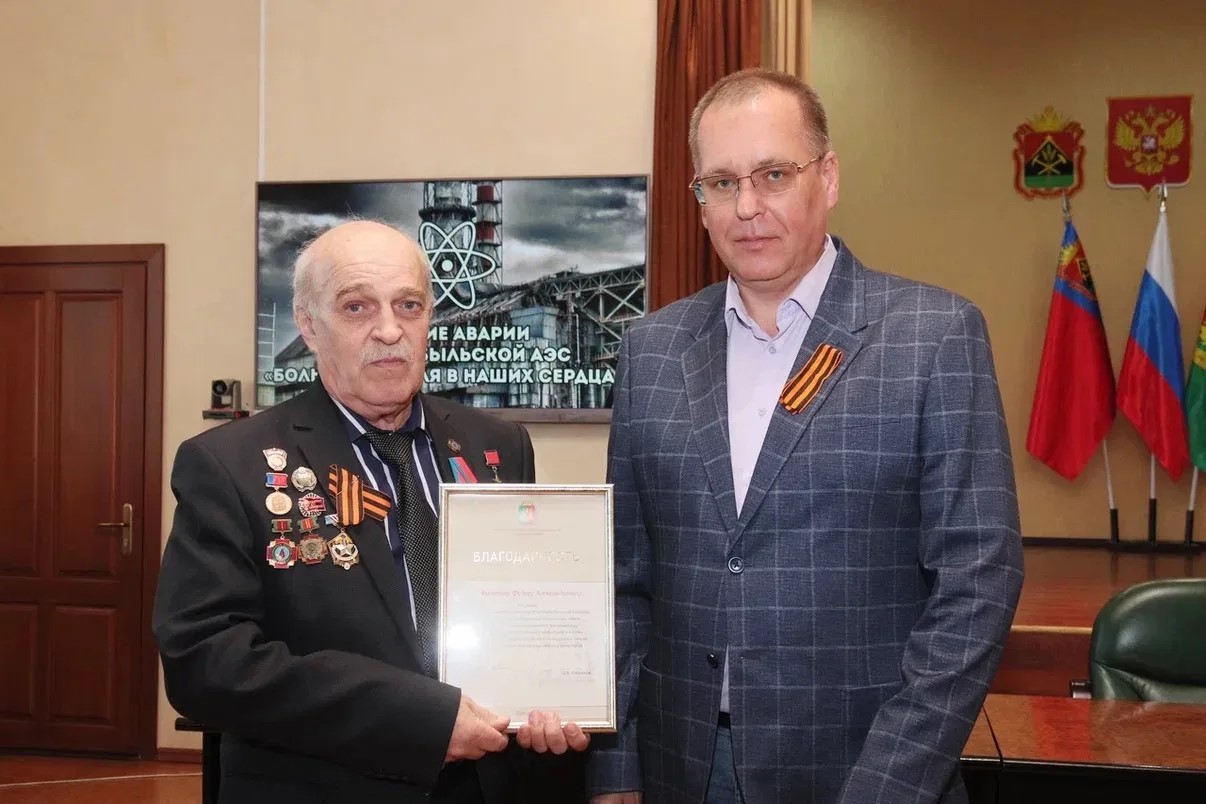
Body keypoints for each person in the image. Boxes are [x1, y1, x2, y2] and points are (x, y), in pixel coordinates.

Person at [585, 69, 1024, 804]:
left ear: (828, 178)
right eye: (721, 183)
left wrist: (888, 783)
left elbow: (978, 583)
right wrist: (615, 768)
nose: (746, 207)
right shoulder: (650, 351)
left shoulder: (933, 336)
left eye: (773, 175)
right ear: (699, 200)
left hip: (867, 767)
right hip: (680, 766)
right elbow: (624, 582)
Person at [153, 220, 588, 804]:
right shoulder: (230, 463)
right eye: (357, 307)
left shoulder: (499, 445)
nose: (389, 330)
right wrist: (420, 719)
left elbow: (525, 606)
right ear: (310, 325)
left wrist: (558, 692)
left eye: (408, 305)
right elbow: (204, 661)